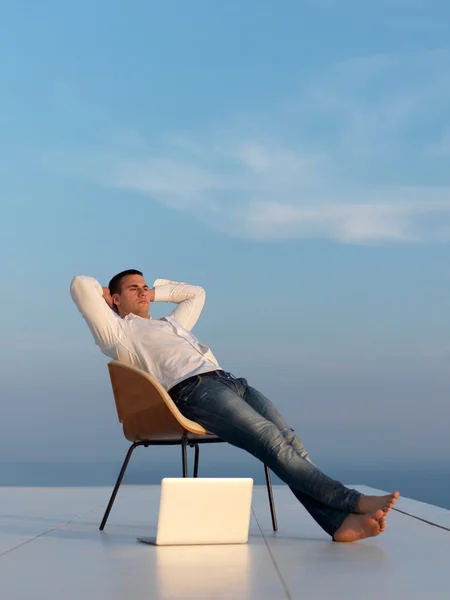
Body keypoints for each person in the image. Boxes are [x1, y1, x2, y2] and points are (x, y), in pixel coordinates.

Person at [70, 269, 399, 542]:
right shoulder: (117, 332)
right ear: (113, 298)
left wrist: (150, 293)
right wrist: (111, 296)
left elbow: (195, 293)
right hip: (194, 392)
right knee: (271, 441)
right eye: (134, 289)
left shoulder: (170, 323)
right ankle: (352, 501)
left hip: (231, 382)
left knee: (289, 440)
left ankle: (338, 524)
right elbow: (79, 285)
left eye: (145, 287)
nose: (143, 292)